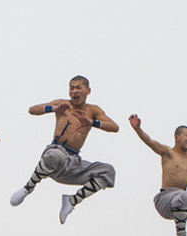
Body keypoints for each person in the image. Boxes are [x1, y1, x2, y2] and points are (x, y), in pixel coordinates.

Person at [10, 75, 118, 224]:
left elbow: (114, 127)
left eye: (78, 88)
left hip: (73, 163)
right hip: (56, 153)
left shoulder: (93, 110)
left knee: (108, 171)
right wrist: (53, 108)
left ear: (88, 90)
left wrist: (91, 122)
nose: (74, 91)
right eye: (71, 88)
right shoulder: (62, 104)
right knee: (54, 155)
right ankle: (28, 187)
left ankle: (72, 201)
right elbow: (32, 109)